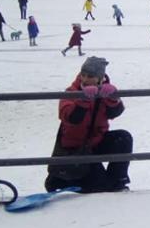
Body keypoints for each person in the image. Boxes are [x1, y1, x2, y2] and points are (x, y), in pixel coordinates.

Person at [44, 56, 132, 193]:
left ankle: (118, 181)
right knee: (101, 186)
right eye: (82, 75)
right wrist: (83, 100)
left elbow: (114, 113)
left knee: (123, 138)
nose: (84, 79)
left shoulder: (103, 92)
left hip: (95, 143)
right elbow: (71, 118)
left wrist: (113, 98)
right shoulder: (72, 92)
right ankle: (60, 181)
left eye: (90, 76)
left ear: (100, 78)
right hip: (74, 150)